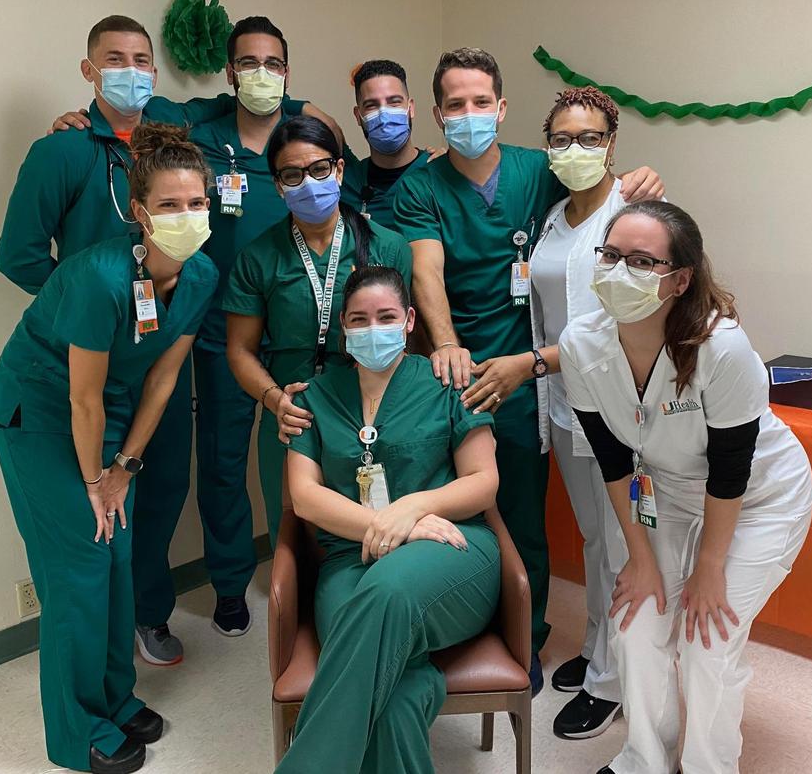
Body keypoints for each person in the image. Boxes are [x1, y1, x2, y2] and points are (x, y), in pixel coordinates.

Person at [50, 16, 345, 645]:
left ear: (287, 74)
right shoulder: (201, 129)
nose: (260, 74)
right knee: (221, 460)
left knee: (323, 455)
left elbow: (343, 164)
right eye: (248, 63)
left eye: (273, 63)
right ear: (230, 73)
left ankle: (327, 580)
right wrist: (78, 118)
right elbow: (131, 109)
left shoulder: (299, 140)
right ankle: (233, 584)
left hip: (297, 328)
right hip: (218, 326)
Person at [392, 47, 665, 692]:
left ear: (502, 107)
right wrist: (447, 343)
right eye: (455, 105)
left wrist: (639, 179)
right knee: (448, 514)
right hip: (454, 372)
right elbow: (426, 269)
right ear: (437, 114)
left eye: (480, 102)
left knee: (525, 520)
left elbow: (601, 196)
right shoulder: (420, 187)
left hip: (531, 377)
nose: (469, 114)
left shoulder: (538, 172)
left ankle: (527, 639)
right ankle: (452, 632)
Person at [0, 124, 218, 774]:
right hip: (39, 413)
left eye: (196, 202)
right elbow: (79, 399)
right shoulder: (98, 277)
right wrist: (96, 480)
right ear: (140, 213)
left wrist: (126, 465)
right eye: (169, 205)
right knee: (81, 568)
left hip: (107, 419)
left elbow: (164, 376)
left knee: (118, 559)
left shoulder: (200, 274)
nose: (186, 216)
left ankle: (115, 697)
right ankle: (76, 728)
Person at [558, 201, 812, 774]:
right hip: (666, 494)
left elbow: (731, 471)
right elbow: (612, 458)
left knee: (706, 638)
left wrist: (710, 567)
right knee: (634, 623)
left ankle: (707, 766)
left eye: (642, 261)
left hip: (758, 499)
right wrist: (640, 557)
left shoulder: (721, 349)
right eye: (610, 255)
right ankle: (642, 760)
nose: (619, 270)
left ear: (679, 279)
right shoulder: (581, 344)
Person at [0, 14, 209, 667]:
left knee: (161, 484)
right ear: (89, 71)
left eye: (143, 59)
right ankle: (102, 651)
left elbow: (222, 104)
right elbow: (18, 255)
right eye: (114, 59)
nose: (132, 70)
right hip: (91, 365)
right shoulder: (63, 151)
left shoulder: (165, 136)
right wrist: (87, 303)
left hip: (160, 352)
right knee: (96, 515)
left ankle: (148, 613)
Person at [276, 266, 501, 774]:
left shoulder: (449, 381)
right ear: (342, 329)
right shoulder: (311, 397)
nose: (371, 327)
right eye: (358, 319)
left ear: (409, 320)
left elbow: (483, 481)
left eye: (385, 316)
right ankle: (418, 687)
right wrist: (392, 526)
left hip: (452, 550)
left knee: (387, 593)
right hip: (349, 561)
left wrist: (410, 510)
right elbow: (306, 497)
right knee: (398, 693)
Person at [467, 85, 638, 738]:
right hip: (568, 406)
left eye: (590, 137)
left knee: (623, 546)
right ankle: (598, 645)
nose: (575, 149)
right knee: (597, 537)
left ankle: (612, 682)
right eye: (562, 138)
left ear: (612, 143)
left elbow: (623, 322)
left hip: (620, 406)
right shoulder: (554, 218)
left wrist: (530, 363)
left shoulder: (633, 210)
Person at [223, 116, 412, 545]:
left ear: (340, 170)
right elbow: (239, 350)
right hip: (295, 413)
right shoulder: (258, 258)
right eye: (293, 175)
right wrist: (275, 401)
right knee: (296, 539)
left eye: (320, 169)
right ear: (277, 184)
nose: (308, 183)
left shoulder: (387, 246)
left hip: (374, 408)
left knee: (378, 529)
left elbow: (407, 339)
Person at [339, 59, 434, 229]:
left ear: (410, 108)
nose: (384, 114)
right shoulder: (346, 185)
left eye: (394, 102)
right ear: (358, 116)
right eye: (371, 105)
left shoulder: (436, 172)